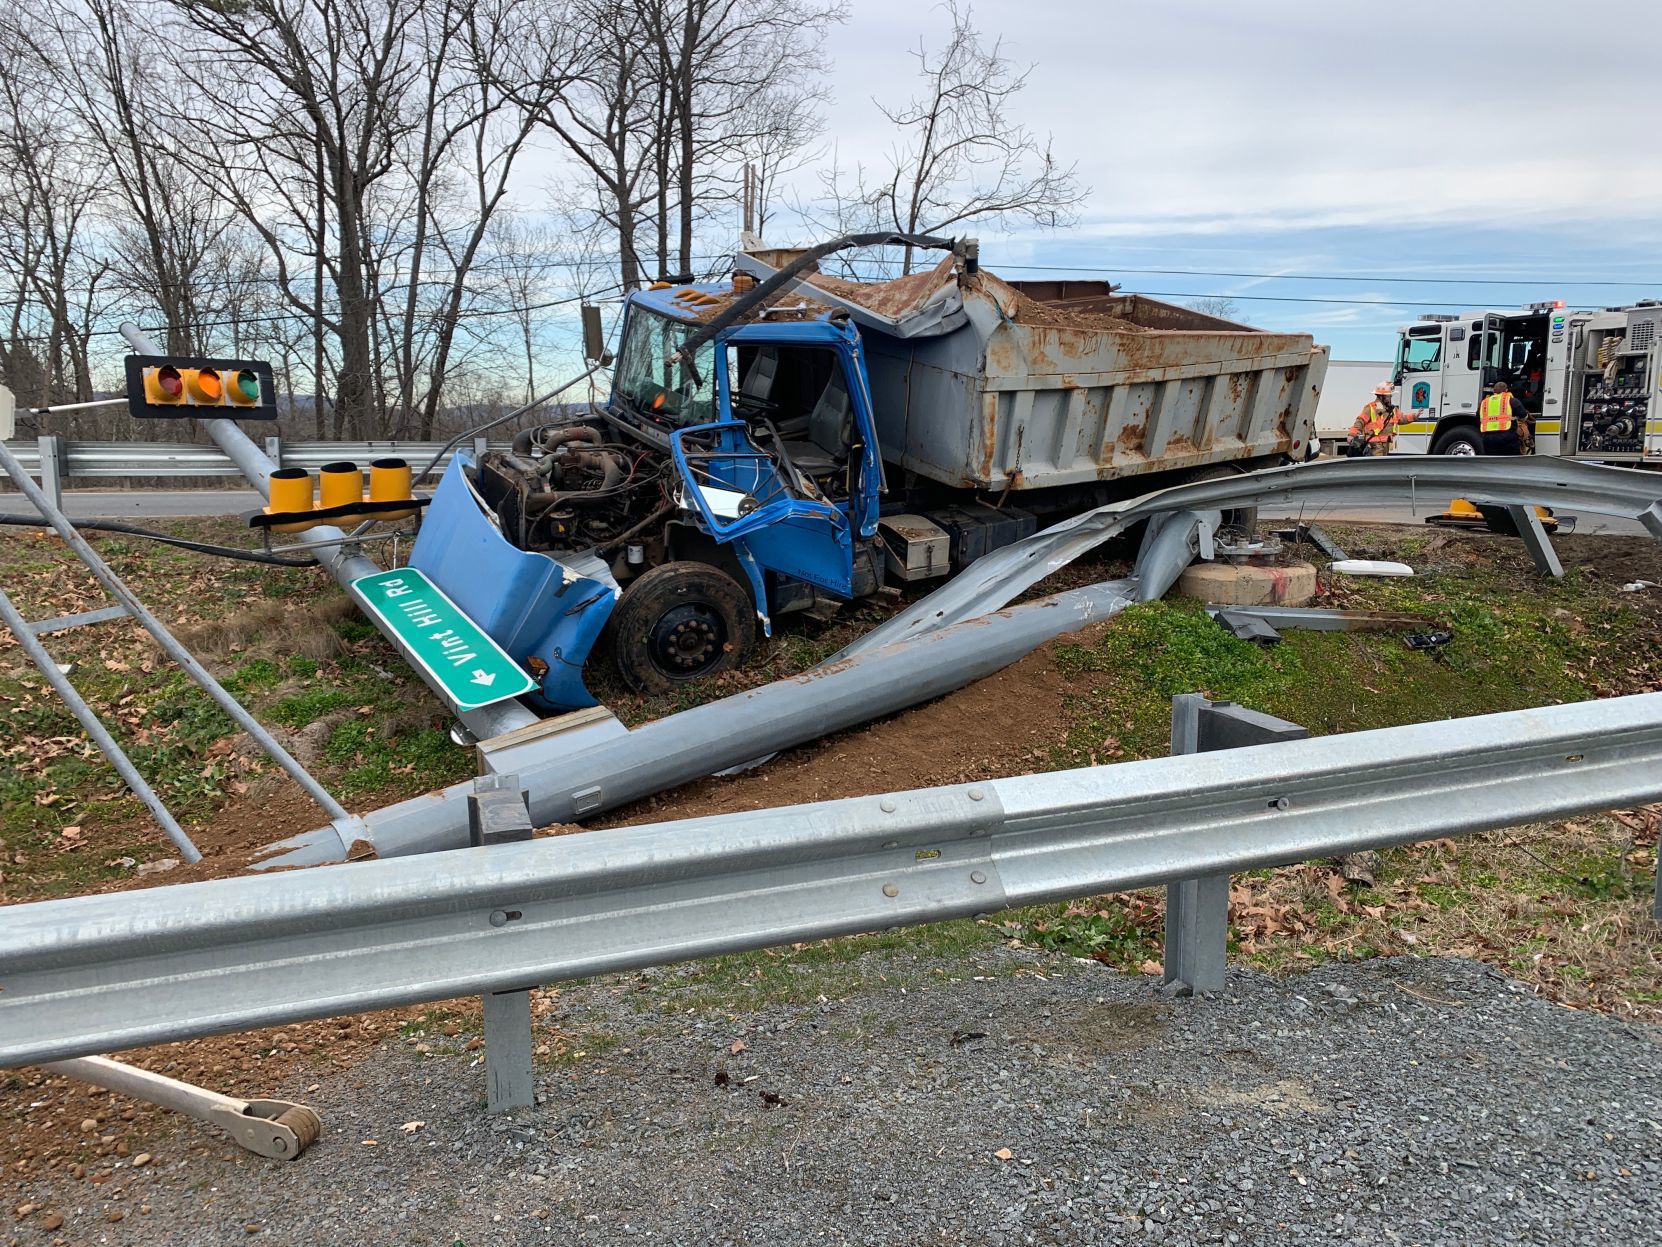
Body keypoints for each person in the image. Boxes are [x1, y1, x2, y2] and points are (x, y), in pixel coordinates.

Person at [1346, 383, 1407, 456]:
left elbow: (1401, 419)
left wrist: (1415, 416)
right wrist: (1352, 434)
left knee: (1382, 464)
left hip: (1385, 443)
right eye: (1389, 395)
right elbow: (1360, 421)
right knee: (1377, 464)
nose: (1390, 397)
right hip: (1374, 444)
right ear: (1381, 397)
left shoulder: (1391, 409)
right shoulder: (1371, 407)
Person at [1479, 382, 1530, 455]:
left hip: (1487, 438)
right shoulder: (1512, 401)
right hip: (1507, 437)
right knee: (1510, 461)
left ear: (1494, 391)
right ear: (1506, 390)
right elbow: (1523, 416)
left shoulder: (1484, 402)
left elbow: (1480, 418)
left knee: (1492, 461)